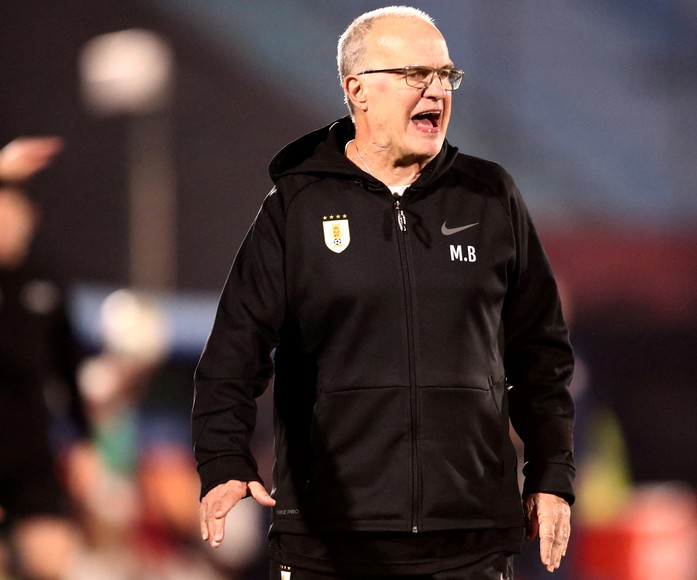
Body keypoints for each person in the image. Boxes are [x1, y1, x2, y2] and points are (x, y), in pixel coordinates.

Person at [193, 6, 576, 579]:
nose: (437, 91)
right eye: (415, 74)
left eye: (446, 76)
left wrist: (551, 475)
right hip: (331, 540)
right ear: (358, 91)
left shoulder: (490, 197)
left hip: (468, 537)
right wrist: (223, 458)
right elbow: (233, 352)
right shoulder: (296, 207)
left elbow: (541, 355)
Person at [0, 136, 89, 579]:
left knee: (50, 560)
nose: (8, 227)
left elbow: (69, 368)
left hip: (31, 448)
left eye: (15, 217)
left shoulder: (45, 282)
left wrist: (84, 441)